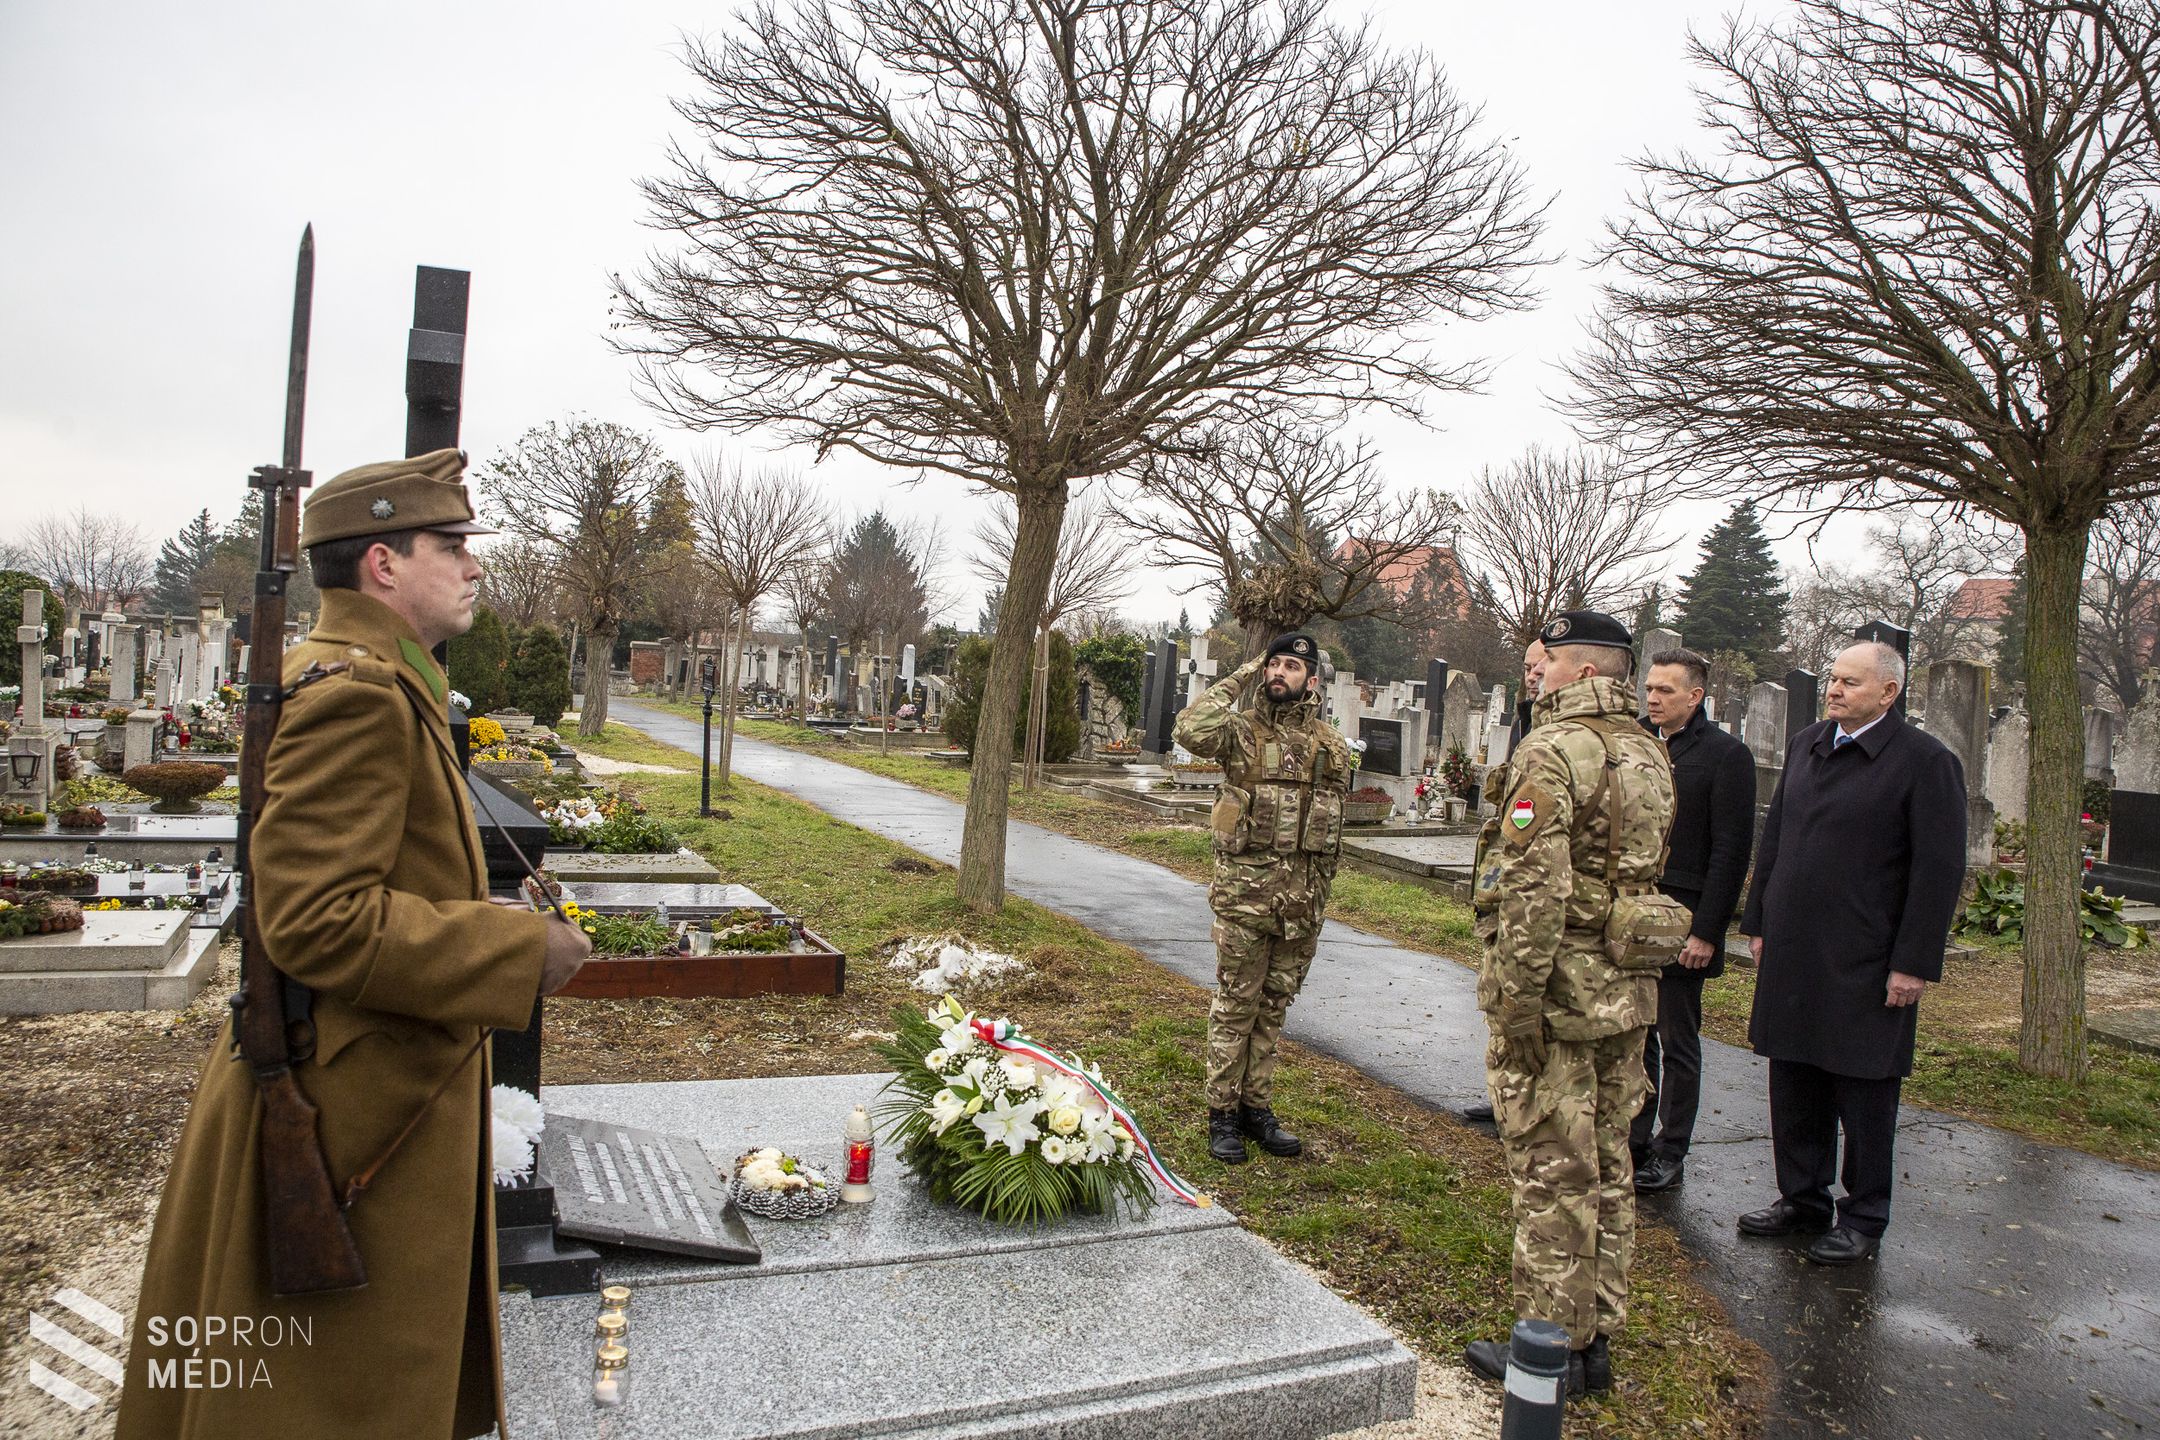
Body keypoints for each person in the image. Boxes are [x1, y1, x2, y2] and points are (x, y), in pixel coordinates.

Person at [118, 450, 593, 1440]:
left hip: (357, 1096)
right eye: (450, 546)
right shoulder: (358, 696)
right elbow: (317, 918)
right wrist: (514, 952)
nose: (472, 566)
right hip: (348, 1116)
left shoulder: (370, 678)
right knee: (328, 1408)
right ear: (383, 565)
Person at [1463, 611, 1678, 1399]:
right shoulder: (1649, 749)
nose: (1537, 674)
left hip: (1558, 991)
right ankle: (1596, 1342)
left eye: (1546, 661)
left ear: (1584, 672)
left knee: (1553, 1167)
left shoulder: (1554, 749)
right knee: (1610, 1161)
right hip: (1626, 992)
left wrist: (1515, 1003)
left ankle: (1548, 1349)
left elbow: (1535, 889)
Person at [1736, 640, 1964, 1265]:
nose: (1835, 690)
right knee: (1795, 1076)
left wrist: (1913, 961)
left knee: (1863, 1090)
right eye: (1834, 679)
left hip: (1867, 957)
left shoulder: (1924, 762)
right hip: (1795, 947)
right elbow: (1777, 836)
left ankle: (1863, 1214)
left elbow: (1937, 871)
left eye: (1851, 683)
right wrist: (1758, 919)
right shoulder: (1809, 744)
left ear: (1888, 693)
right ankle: (1802, 1198)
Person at [1175, 631, 1355, 1165]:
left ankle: (1257, 1109)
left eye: (1292, 667)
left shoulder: (1332, 746)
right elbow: (1190, 727)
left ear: (1312, 680)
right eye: (1273, 665)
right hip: (1245, 902)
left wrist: (1316, 903)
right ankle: (1222, 1114)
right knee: (1236, 1006)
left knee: (1273, 1010)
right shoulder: (1239, 734)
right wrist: (1243, 672)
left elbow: (1329, 837)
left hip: (1301, 908)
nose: (1280, 673)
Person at [1630, 648, 1756, 1193]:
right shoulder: (1634, 739)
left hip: (1684, 915)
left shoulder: (1726, 755)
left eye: (1665, 691)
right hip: (1631, 910)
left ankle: (1670, 1146)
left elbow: (1730, 851)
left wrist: (1708, 931)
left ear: (1695, 697)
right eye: (1650, 688)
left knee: (1676, 1036)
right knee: (1634, 1032)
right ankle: (1631, 1136)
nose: (1653, 698)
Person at [1464, 636, 1550, 1126]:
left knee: (1532, 1005)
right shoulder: (1527, 722)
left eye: (1542, 666)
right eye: (1527, 666)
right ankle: (1506, 1098)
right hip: (1507, 886)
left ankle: (1527, 1108)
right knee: (1501, 996)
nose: (1532, 674)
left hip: (1539, 892)